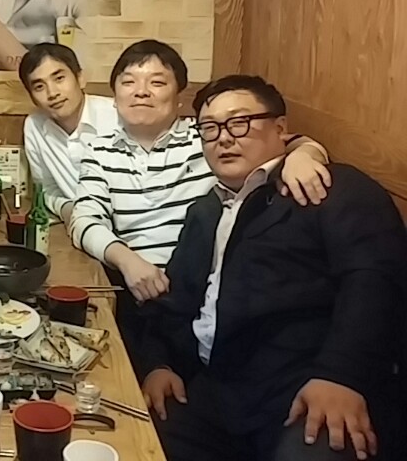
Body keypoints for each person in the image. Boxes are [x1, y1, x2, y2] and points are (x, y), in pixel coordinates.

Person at [140, 75, 407, 461]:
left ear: (281, 128)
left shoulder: (328, 187)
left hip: (303, 386)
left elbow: (374, 278)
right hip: (218, 390)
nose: (224, 138)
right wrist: (159, 364)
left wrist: (340, 375)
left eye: (239, 122)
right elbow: (177, 299)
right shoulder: (205, 211)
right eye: (210, 128)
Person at [68, 40, 332, 361]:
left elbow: (277, 141)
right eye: (129, 82)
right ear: (115, 96)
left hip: (202, 288)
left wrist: (306, 153)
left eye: (157, 82)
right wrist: (127, 261)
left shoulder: (207, 136)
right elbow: (84, 219)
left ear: (179, 97)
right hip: (135, 288)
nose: (141, 92)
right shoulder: (98, 150)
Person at [19, 43, 120, 224]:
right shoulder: (34, 126)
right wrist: (67, 210)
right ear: (31, 97)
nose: (52, 93)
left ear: (80, 78)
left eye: (59, 79)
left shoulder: (118, 117)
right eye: (39, 87)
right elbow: (46, 189)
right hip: (80, 228)